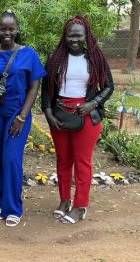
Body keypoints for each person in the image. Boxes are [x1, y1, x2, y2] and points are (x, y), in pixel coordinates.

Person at [41, 15, 114, 224]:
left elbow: (109, 86)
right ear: (64, 36)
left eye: (78, 36)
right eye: (70, 36)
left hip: (86, 115)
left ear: (86, 36)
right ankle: (64, 201)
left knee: (82, 162)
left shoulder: (96, 57)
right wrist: (48, 113)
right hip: (60, 115)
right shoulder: (55, 58)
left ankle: (80, 205)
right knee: (63, 160)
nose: (74, 40)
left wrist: (93, 103)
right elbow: (46, 89)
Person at [0, 11, 46, 227]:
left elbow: (34, 86)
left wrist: (23, 117)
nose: (7, 32)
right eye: (3, 29)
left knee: (12, 159)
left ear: (17, 30)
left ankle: (13, 207)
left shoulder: (29, 55)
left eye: (11, 29)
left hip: (17, 114)